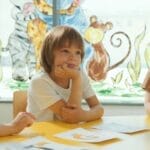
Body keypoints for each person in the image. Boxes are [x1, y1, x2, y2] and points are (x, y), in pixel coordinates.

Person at [27, 25, 104, 123]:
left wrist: (83, 116)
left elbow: (99, 108)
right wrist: (76, 78)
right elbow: (69, 118)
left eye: (78, 52)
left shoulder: (79, 73)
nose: (73, 57)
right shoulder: (39, 82)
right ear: (49, 54)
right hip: (42, 136)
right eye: (65, 51)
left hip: (67, 134)